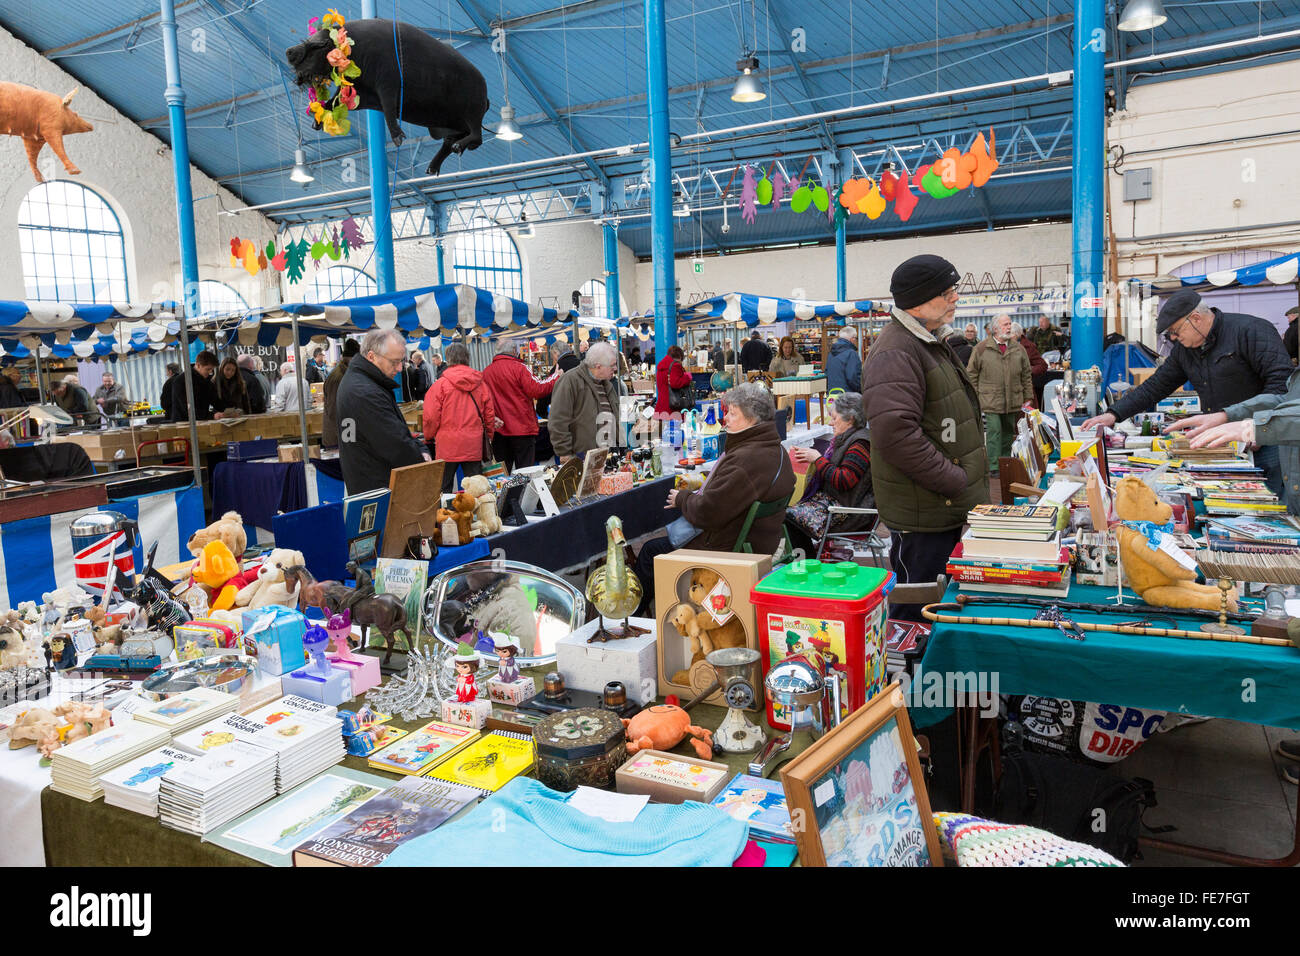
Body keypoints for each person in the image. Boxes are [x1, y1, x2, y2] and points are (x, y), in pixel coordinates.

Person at [863, 254, 987, 619]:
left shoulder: (927, 341)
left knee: (937, 604)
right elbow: (896, 433)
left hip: (939, 507)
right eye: (947, 292)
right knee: (917, 612)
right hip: (923, 513)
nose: (955, 299)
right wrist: (954, 480)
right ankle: (913, 677)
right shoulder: (896, 351)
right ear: (920, 299)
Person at [1081, 289, 1291, 495]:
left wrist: (1254, 427)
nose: (1172, 337)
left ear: (1196, 318)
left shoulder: (1251, 330)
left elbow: (1282, 387)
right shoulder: (1186, 350)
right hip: (1226, 444)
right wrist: (1114, 414)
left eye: (1175, 330)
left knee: (1274, 501)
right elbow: (1156, 385)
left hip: (1267, 441)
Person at [632, 382, 795, 594]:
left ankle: (636, 618)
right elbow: (733, 489)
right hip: (759, 540)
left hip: (729, 546)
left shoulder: (746, 459)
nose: (725, 418)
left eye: (733, 414)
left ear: (752, 419)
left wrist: (682, 499)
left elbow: (707, 512)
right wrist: (706, 481)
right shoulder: (774, 448)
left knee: (649, 551)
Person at [336, 329, 431, 494]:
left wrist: (419, 448)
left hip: (373, 482)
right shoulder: (364, 392)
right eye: (394, 362)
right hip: (379, 488)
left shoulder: (362, 382)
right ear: (372, 356)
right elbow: (395, 444)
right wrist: (420, 457)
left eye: (401, 361)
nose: (400, 368)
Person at [786, 391, 874, 557]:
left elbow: (844, 480)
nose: (831, 423)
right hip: (837, 504)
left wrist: (818, 459)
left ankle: (808, 564)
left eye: (835, 418)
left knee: (790, 518)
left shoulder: (860, 443)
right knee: (790, 514)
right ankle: (809, 561)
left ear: (851, 419)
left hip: (848, 510)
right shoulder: (850, 439)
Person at [423, 342, 496, 493]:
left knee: (444, 490)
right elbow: (489, 415)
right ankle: (479, 516)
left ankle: (447, 516)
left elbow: (431, 417)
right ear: (467, 358)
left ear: (448, 359)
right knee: (477, 490)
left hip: (447, 445)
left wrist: (428, 436)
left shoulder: (440, 385)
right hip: (473, 443)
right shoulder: (480, 384)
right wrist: (488, 436)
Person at [967, 314, 1033, 475]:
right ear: (995, 328)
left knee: (1008, 432)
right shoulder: (981, 348)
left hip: (1012, 398)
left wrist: (1028, 396)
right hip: (990, 399)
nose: (1009, 327)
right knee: (994, 431)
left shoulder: (1018, 349)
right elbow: (972, 374)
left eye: (1010, 324)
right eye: (1005, 324)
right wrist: (975, 396)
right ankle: (994, 466)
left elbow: (1026, 374)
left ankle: (1004, 463)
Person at [482, 339, 558, 471]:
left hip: (499, 431)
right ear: (514, 351)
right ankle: (522, 492)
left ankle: (509, 493)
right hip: (522, 429)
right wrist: (556, 376)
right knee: (525, 472)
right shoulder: (520, 368)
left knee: (503, 474)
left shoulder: (486, 372)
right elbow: (538, 389)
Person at [549, 342, 622, 462]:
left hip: (608, 452)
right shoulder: (570, 381)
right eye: (612, 365)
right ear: (598, 366)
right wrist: (564, 451)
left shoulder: (606, 383)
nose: (615, 369)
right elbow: (558, 420)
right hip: (582, 454)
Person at [161, 351, 222, 423]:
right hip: (183, 425)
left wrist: (228, 410)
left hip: (202, 423)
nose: (210, 372)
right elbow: (187, 408)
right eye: (208, 369)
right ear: (198, 365)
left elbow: (216, 401)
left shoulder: (207, 382)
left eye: (212, 369)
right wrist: (212, 416)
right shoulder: (181, 381)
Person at [323, 338, 360, 449]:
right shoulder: (339, 378)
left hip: (345, 435)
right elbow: (334, 410)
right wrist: (349, 437)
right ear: (351, 359)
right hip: (338, 438)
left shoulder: (346, 374)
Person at [654, 345, 694, 418]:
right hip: (673, 407)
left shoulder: (661, 366)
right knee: (676, 429)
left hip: (662, 406)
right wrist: (687, 377)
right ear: (679, 356)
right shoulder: (675, 366)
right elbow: (675, 383)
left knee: (664, 429)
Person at [826, 326, 862, 394]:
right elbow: (853, 377)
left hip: (832, 393)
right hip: (848, 396)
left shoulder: (831, 353)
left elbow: (827, 373)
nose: (855, 340)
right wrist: (860, 389)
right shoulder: (851, 353)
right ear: (852, 339)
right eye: (855, 338)